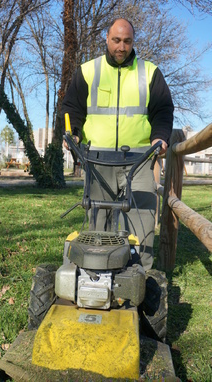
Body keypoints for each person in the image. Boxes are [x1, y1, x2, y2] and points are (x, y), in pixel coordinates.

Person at [62, 18, 174, 271]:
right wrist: (74, 133)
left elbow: (163, 110)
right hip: (97, 160)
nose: (121, 47)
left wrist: (160, 136)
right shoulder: (88, 70)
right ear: (107, 39)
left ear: (133, 42)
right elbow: (72, 108)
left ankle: (140, 280)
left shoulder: (150, 72)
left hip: (140, 159)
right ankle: (96, 275)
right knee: (98, 222)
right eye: (116, 40)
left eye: (127, 41)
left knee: (142, 221)